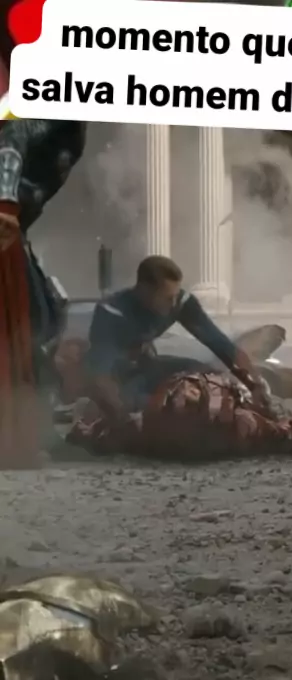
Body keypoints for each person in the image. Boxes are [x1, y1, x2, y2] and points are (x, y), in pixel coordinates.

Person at [86, 254, 271, 424]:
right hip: (121, 378)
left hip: (148, 365)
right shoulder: (112, 312)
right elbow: (101, 373)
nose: (173, 303)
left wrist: (254, 384)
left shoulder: (181, 303)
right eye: (167, 298)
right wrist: (123, 418)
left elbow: (221, 345)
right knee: (141, 402)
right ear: (145, 290)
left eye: (175, 296)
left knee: (208, 375)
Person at [0, 118, 87, 464]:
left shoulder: (70, 127)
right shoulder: (41, 118)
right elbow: (10, 141)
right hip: (5, 225)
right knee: (34, 322)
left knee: (44, 319)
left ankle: (31, 431)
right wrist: (5, 202)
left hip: (13, 229)